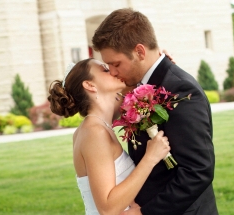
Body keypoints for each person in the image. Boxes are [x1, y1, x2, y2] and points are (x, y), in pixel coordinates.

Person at [92, 8, 218, 215]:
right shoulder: (136, 85)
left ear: (140, 52)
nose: (113, 72)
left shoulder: (180, 90)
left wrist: (146, 213)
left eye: (116, 64)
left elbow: (198, 171)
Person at [47, 59, 171, 215]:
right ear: (90, 85)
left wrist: (158, 64)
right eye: (105, 70)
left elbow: (135, 87)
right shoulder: (94, 133)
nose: (113, 71)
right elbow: (107, 208)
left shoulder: (99, 126)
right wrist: (151, 158)